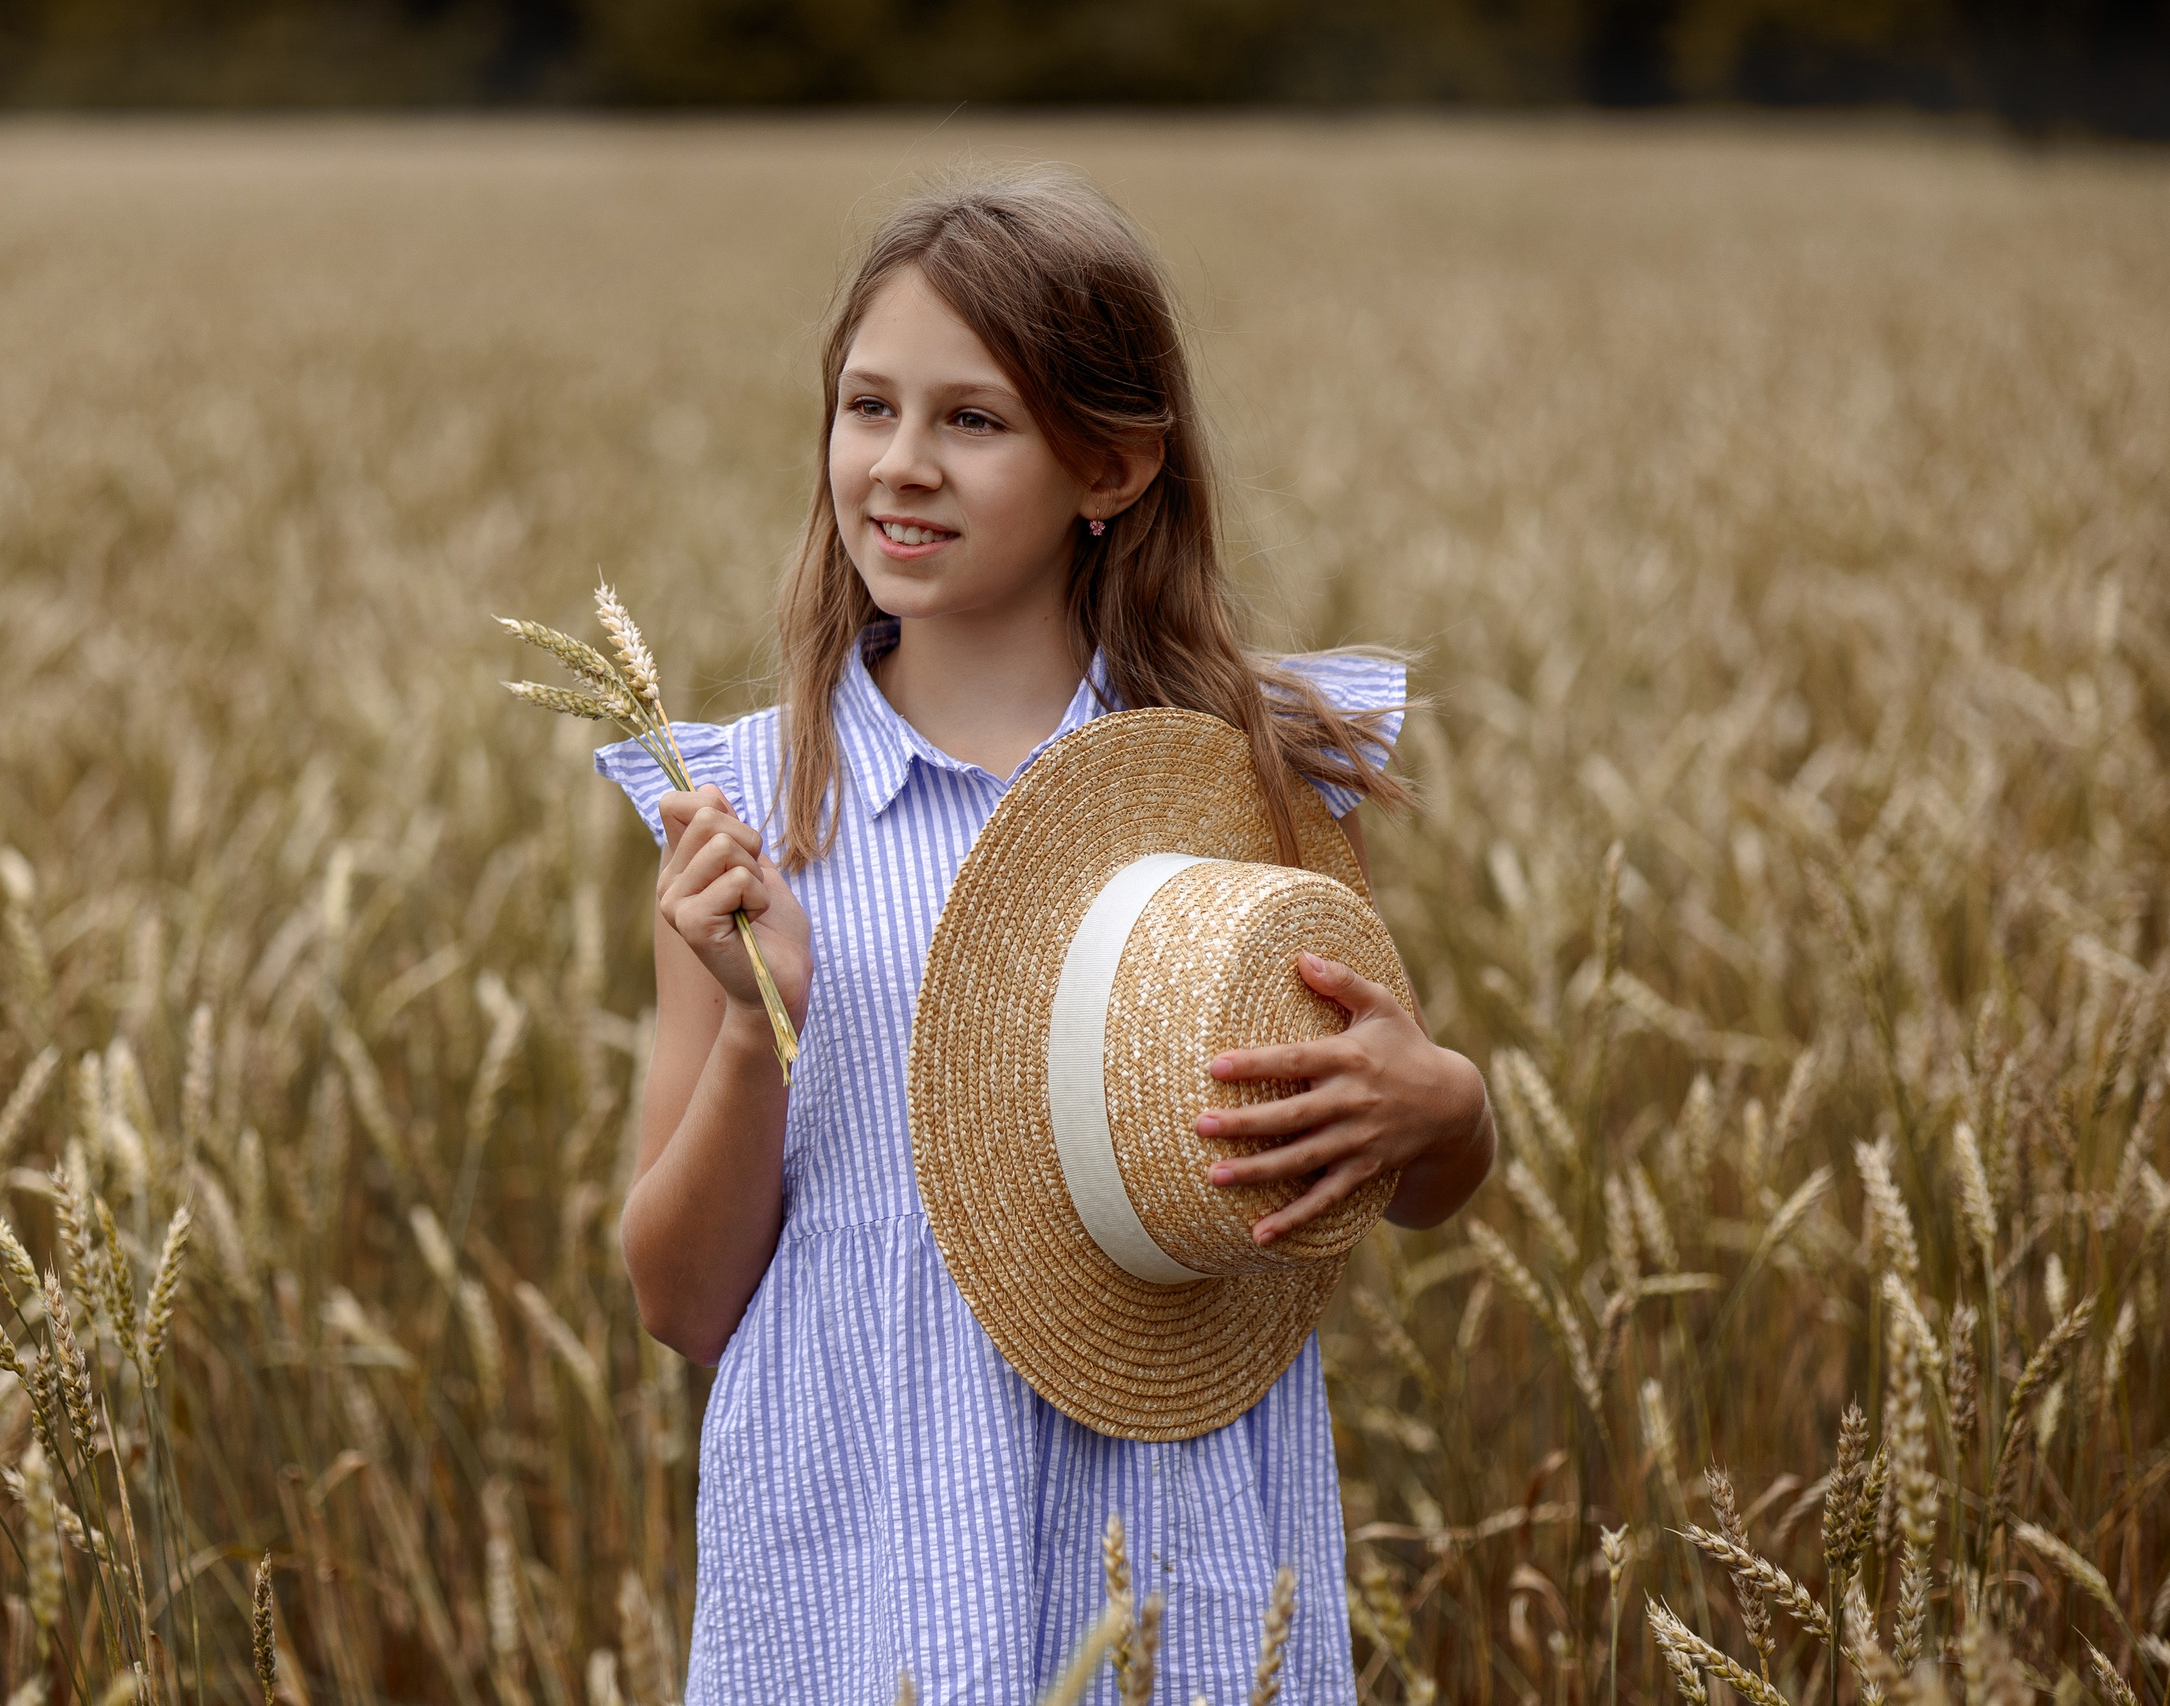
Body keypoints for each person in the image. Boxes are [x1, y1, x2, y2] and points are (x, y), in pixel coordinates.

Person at [595, 165, 1495, 1704]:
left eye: (973, 419)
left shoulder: (1237, 781)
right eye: (867, 407)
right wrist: (755, 1024)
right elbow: (679, 1302)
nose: (900, 465)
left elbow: (1385, 1164)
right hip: (859, 1558)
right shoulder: (753, 815)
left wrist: (1448, 1107)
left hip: (1177, 1548)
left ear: (1113, 466)